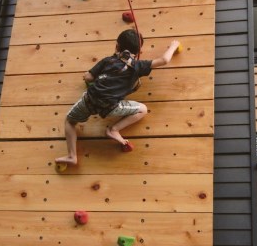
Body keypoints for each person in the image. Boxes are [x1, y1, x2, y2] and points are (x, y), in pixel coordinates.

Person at [55, 29, 180, 166]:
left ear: (117, 46)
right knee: (142, 109)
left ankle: (72, 156)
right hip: (110, 106)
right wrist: (173, 46)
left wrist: (88, 75)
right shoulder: (138, 66)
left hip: (90, 100)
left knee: (70, 121)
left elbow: (88, 77)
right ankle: (113, 130)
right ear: (138, 53)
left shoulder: (108, 61)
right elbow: (164, 60)